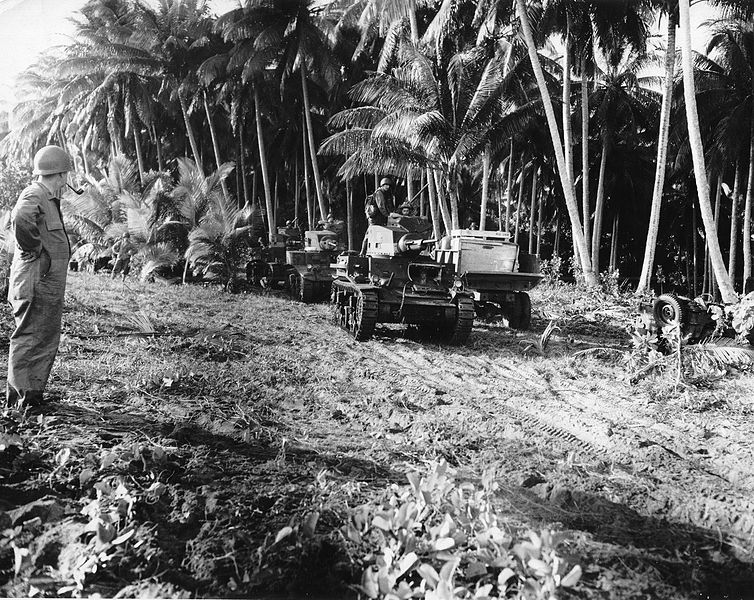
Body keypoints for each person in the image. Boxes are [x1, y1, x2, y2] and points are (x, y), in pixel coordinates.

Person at [6, 145, 73, 409]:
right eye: (66, 175)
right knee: (30, 336)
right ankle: (20, 400)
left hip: (44, 284)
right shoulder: (35, 192)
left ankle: (30, 397)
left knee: (41, 337)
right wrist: (34, 249)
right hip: (35, 282)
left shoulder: (47, 197)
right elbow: (21, 217)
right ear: (61, 174)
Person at [361, 177, 395, 255]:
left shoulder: (387, 194)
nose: (388, 187)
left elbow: (389, 206)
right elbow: (381, 206)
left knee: (380, 235)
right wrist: (388, 215)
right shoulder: (379, 193)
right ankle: (363, 252)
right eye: (386, 185)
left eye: (389, 185)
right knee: (370, 234)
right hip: (375, 218)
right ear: (382, 185)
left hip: (380, 217)